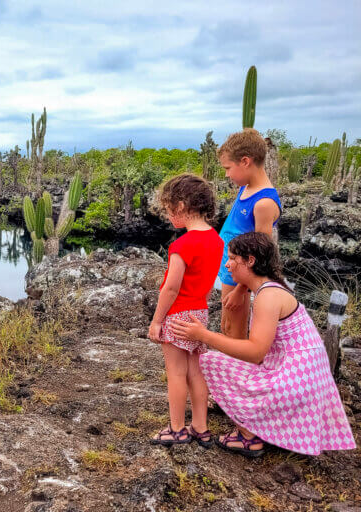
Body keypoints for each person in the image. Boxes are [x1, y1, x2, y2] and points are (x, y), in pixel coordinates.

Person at [172, 232, 356, 457]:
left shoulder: (267, 297)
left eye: (232, 258)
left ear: (250, 261)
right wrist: (241, 288)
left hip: (294, 386)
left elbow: (255, 352)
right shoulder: (271, 288)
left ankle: (248, 437)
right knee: (230, 362)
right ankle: (259, 429)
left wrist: (203, 335)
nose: (227, 265)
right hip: (304, 383)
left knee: (208, 361)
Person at [148, 174, 224, 447]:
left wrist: (157, 321)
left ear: (181, 206)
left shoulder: (181, 245)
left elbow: (170, 289)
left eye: (169, 209)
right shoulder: (216, 240)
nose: (169, 216)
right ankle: (200, 427)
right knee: (196, 372)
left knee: (176, 374)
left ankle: (177, 428)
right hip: (199, 314)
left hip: (178, 314)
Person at [216, 129, 281, 340]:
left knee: (234, 331)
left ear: (245, 161)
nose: (227, 174)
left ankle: (238, 371)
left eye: (228, 168)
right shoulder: (245, 187)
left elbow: (260, 252)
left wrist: (241, 289)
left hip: (240, 275)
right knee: (226, 325)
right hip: (229, 267)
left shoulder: (264, 203)